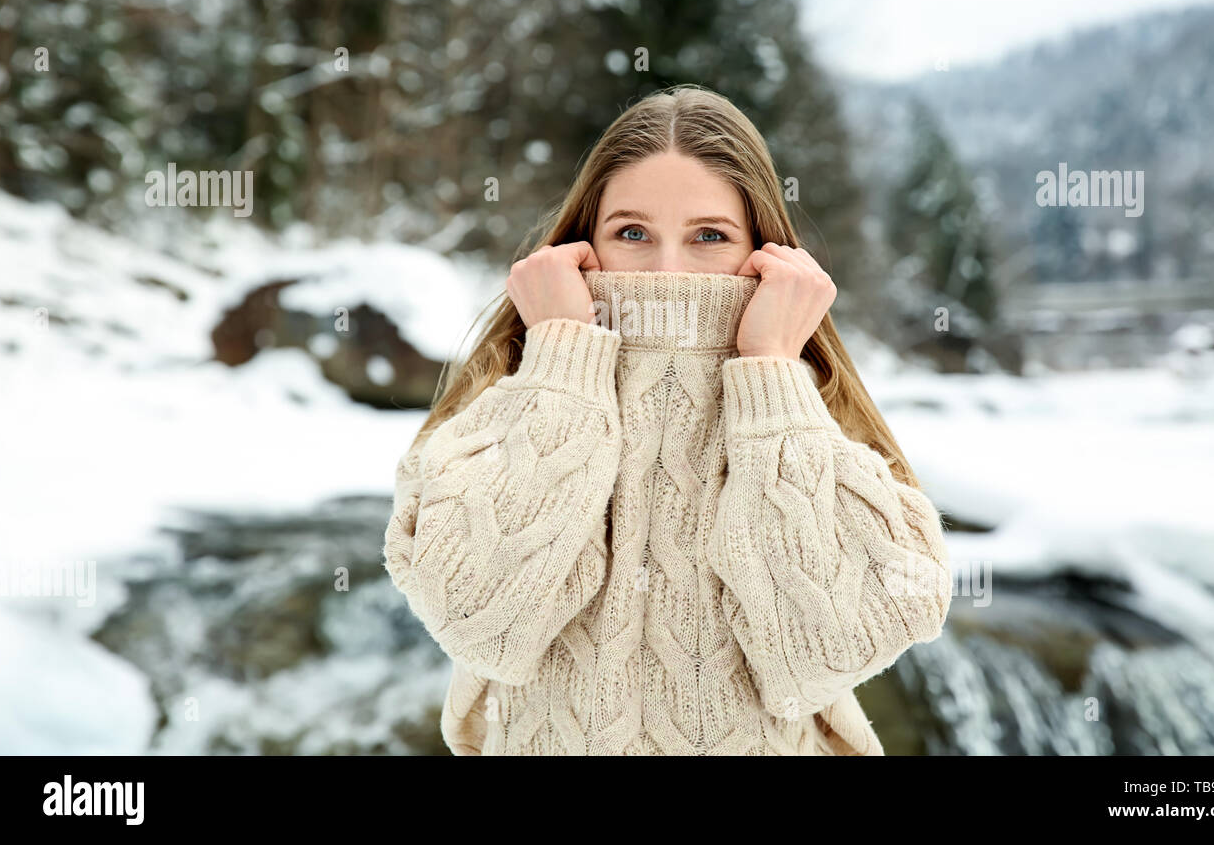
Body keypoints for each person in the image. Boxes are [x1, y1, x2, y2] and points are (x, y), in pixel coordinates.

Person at [382, 84, 952, 755]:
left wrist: (770, 374)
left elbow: (828, 650)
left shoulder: (808, 405)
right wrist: (562, 367)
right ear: (581, 244)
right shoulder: (509, 399)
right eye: (632, 233)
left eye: (709, 236)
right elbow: (479, 622)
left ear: (762, 252)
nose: (667, 271)